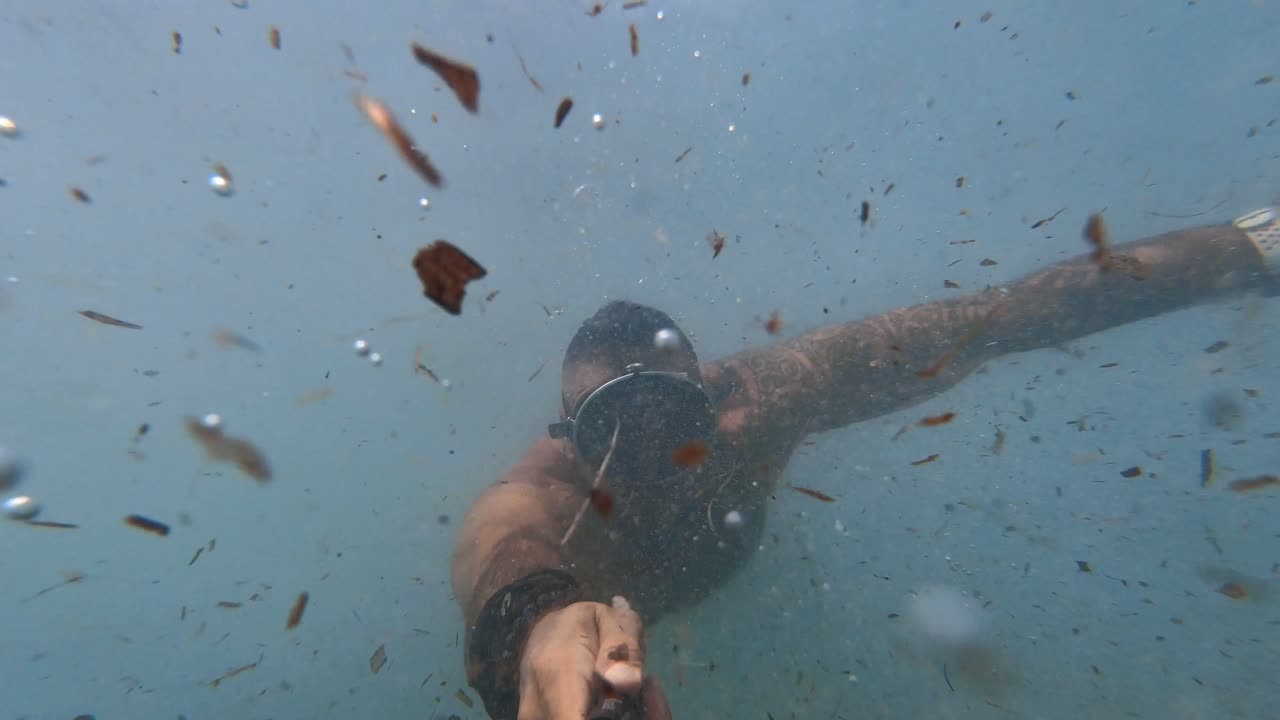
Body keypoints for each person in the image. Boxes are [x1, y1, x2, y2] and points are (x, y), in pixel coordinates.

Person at [451, 205, 1280, 720]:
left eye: (670, 422)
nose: (650, 467)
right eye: (611, 436)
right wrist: (541, 626)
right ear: (568, 441)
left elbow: (998, 315)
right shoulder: (545, 495)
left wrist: (1252, 246)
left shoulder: (764, 401)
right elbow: (496, 547)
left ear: (714, 401)